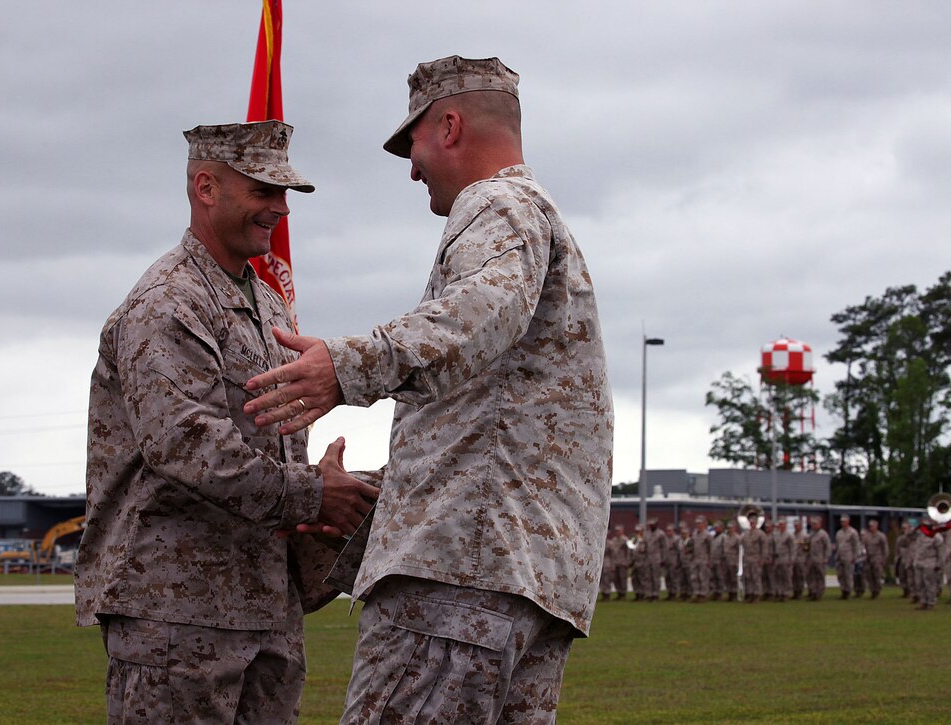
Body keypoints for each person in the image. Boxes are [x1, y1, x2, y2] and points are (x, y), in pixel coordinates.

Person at [244, 55, 613, 722]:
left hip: (457, 582)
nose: (411, 167)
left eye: (410, 143)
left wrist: (348, 365)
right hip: (517, 583)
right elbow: (497, 423)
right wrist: (376, 493)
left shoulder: (496, 204)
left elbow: (479, 314)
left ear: (448, 125)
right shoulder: (537, 218)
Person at [74, 121, 380, 724]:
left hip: (265, 604)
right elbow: (186, 443)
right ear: (206, 187)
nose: (280, 209)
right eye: (264, 190)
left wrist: (322, 483)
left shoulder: (265, 303)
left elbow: (268, 439)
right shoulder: (168, 302)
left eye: (285, 194)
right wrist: (315, 494)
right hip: (175, 611)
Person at [912, 519, 944, 611]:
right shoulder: (920, 535)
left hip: (930, 562)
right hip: (918, 562)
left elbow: (940, 552)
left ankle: (931, 602)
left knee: (929, 583)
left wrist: (939, 564)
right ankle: (923, 602)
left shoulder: (937, 537)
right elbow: (910, 537)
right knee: (919, 583)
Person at [740, 513, 768, 603]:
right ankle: (749, 594)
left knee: (756, 577)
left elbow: (764, 548)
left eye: (753, 523)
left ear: (756, 523)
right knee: (748, 577)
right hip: (747, 559)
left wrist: (762, 559)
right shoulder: (746, 533)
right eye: (750, 522)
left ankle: (756, 594)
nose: (751, 524)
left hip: (756, 558)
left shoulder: (760, 534)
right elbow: (740, 543)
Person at [834, 514, 862, 599]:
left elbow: (856, 546)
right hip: (840, 556)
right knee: (840, 575)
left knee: (848, 575)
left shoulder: (853, 532)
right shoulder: (839, 533)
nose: (842, 523)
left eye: (844, 521)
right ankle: (843, 590)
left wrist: (854, 557)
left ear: (848, 522)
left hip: (848, 557)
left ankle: (848, 591)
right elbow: (837, 545)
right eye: (841, 522)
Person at [861, 519, 889, 599]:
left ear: (876, 526)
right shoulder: (867, 536)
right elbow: (864, 546)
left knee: (877, 575)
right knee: (869, 575)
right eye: (870, 526)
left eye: (872, 526)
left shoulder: (881, 536)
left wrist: (884, 559)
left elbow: (885, 549)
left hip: (877, 558)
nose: (871, 528)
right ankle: (872, 590)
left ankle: (877, 591)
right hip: (869, 558)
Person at [806, 516, 831, 601]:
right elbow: (807, 546)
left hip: (820, 559)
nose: (814, 526)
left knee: (820, 576)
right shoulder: (811, 534)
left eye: (815, 524)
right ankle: (813, 592)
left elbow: (827, 547)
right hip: (811, 559)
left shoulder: (823, 534)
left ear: (820, 524)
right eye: (812, 524)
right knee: (811, 576)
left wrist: (826, 558)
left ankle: (819, 593)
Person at [770, 519, 795, 602]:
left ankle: (786, 593)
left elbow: (792, 548)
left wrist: (791, 559)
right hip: (778, 559)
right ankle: (780, 593)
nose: (780, 526)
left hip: (786, 558)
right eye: (779, 524)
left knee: (786, 577)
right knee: (778, 577)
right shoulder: (776, 535)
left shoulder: (789, 535)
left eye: (782, 524)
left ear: (785, 525)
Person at [689, 516, 712, 603]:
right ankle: (697, 593)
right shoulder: (695, 533)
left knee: (703, 577)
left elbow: (710, 548)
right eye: (697, 523)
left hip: (703, 559)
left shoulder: (707, 535)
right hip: (695, 559)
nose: (698, 525)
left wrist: (709, 560)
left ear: (704, 524)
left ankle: (703, 595)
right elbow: (691, 545)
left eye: (700, 523)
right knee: (694, 577)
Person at [895, 519, 917, 599]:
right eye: (903, 528)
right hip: (903, 558)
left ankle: (914, 593)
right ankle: (906, 591)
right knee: (902, 576)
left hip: (913, 558)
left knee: (913, 577)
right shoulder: (901, 538)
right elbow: (899, 547)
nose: (904, 530)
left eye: (906, 528)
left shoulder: (915, 536)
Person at [721, 519, 741, 602]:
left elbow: (739, 551)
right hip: (726, 560)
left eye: (731, 528)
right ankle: (729, 593)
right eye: (729, 528)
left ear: (735, 528)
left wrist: (738, 562)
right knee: (727, 578)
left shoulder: (737, 538)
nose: (730, 529)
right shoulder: (725, 537)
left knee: (734, 579)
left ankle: (735, 594)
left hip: (734, 561)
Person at [708, 520, 726, 601]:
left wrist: (723, 559)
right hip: (713, 560)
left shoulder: (724, 537)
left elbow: (725, 549)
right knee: (713, 577)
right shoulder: (713, 537)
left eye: (717, 527)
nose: (716, 529)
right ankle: (715, 592)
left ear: (722, 528)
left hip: (720, 560)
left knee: (720, 577)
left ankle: (720, 593)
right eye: (715, 527)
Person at [791, 519, 808, 600]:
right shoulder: (793, 535)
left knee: (800, 576)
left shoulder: (804, 536)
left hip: (801, 558)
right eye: (795, 525)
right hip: (794, 559)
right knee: (794, 577)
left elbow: (807, 548)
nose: (796, 526)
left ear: (800, 526)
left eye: (797, 525)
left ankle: (800, 592)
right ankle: (795, 592)